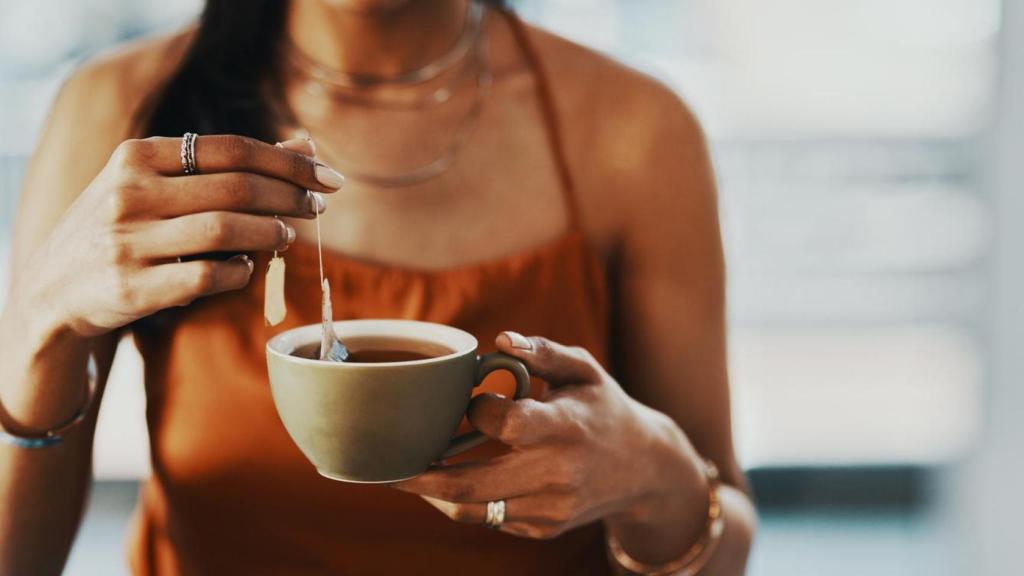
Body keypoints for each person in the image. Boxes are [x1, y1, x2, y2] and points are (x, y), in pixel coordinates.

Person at [0, 0, 756, 574]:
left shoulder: (636, 131)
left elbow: (728, 538)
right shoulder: (121, 114)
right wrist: (41, 327)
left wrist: (655, 474)